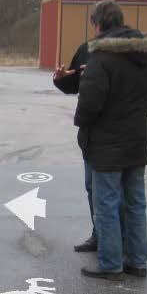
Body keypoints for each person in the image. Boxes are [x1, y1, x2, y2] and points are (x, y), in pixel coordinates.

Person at [75, 0, 147, 281]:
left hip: (106, 146)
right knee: (135, 203)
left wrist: (83, 123)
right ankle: (137, 262)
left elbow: (90, 103)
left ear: (99, 24)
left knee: (107, 204)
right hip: (137, 141)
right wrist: (135, 112)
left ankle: (112, 264)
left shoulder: (101, 57)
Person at [54, 41, 100, 252]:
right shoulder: (87, 49)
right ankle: (100, 235)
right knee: (93, 187)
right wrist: (61, 78)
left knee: (113, 192)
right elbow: (73, 82)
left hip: (107, 132)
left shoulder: (131, 50)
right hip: (92, 133)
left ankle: (115, 246)